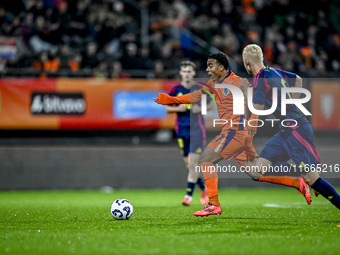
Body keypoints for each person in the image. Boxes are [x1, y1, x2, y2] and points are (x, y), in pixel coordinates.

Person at [154, 52, 311, 216]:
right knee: (255, 173)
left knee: (205, 160)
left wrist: (253, 123)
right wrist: (170, 100)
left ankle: (213, 204)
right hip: (234, 133)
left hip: (235, 132)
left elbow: (255, 102)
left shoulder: (239, 82)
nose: (207, 69)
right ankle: (297, 181)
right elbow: (195, 96)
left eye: (210, 65)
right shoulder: (213, 83)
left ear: (221, 67)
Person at [242, 44, 340, 213]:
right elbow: (298, 79)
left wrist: (245, 94)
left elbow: (257, 106)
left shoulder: (260, 78)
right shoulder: (276, 71)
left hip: (296, 129)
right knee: (256, 170)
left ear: (247, 63)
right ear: (262, 59)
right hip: (285, 131)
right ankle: (300, 176)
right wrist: (292, 101)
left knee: (311, 178)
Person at [167, 60, 212, 206]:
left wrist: (201, 109)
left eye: (189, 71)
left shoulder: (199, 88)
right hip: (181, 130)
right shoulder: (175, 89)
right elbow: (167, 108)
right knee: (189, 165)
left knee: (193, 164)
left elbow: (212, 103)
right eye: (184, 71)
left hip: (197, 130)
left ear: (193, 73)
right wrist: (176, 109)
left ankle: (188, 196)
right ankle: (204, 188)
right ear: (180, 73)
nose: (186, 74)